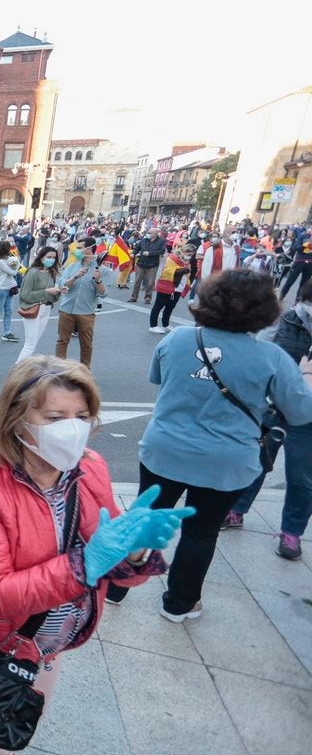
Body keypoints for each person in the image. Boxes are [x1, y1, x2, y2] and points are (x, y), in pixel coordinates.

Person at [0, 355, 191, 754]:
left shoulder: (91, 468)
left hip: (47, 645)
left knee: (16, 722)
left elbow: (109, 562)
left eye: (81, 416)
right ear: (17, 418)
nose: (72, 429)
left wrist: (136, 553)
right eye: (55, 417)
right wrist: (84, 565)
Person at [106, 270, 312, 620]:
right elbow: (300, 412)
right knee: (200, 532)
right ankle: (179, 603)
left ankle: (116, 588)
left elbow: (156, 378)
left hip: (165, 449)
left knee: (145, 518)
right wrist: (304, 374)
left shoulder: (177, 339)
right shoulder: (272, 357)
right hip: (226, 461)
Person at [222, 279, 312, 559]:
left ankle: (291, 533)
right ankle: (236, 510)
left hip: (307, 418)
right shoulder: (286, 321)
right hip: (272, 408)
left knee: (302, 478)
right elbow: (258, 356)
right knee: (256, 464)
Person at [54, 238, 108, 368]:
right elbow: (62, 286)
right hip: (66, 310)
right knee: (62, 341)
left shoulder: (102, 269)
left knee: (86, 344)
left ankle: (85, 370)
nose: (75, 251)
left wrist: (98, 280)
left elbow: (104, 293)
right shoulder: (72, 266)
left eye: (79, 248)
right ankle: (59, 369)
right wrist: (75, 277)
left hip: (86, 312)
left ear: (89, 249)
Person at [15, 246, 65, 363]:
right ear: (41, 258)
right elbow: (25, 295)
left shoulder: (51, 272)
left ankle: (23, 369)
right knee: (30, 344)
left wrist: (58, 291)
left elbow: (53, 297)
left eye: (54, 257)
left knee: (34, 342)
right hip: (33, 309)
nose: (51, 259)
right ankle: (18, 370)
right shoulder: (32, 273)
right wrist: (46, 291)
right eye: (49, 257)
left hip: (46, 309)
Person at [148, 243, 193, 334]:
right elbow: (168, 272)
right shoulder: (172, 259)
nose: (190, 257)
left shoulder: (186, 261)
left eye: (192, 255)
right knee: (158, 306)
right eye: (189, 254)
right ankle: (153, 326)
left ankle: (166, 325)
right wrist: (185, 270)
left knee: (170, 307)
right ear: (184, 251)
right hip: (166, 286)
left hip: (178, 288)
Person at [279, 230, 312, 301]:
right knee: (289, 281)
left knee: (303, 285)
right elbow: (295, 248)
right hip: (299, 261)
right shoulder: (303, 236)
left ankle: (296, 303)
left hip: (310, 264)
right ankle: (280, 299)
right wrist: (305, 245)